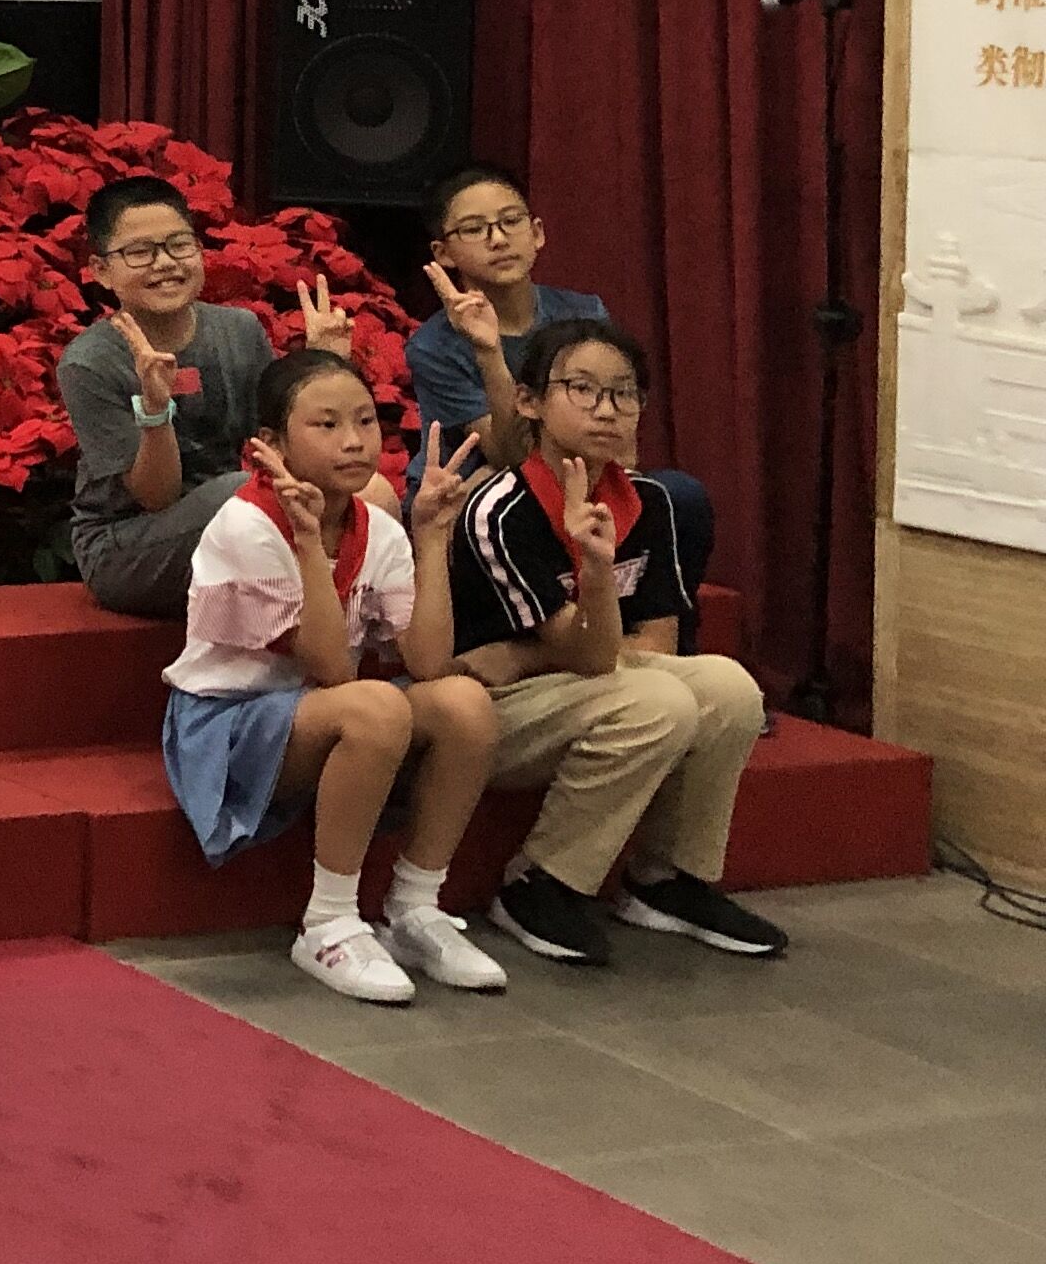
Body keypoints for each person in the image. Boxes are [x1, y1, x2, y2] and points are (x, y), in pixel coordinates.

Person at [160, 353, 509, 1002]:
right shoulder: (245, 524)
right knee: (374, 707)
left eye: (365, 421)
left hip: (321, 707)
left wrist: (432, 537)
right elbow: (329, 665)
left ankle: (415, 909)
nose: (354, 441)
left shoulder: (377, 527)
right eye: (326, 425)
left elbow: (429, 663)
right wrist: (305, 544)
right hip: (228, 723)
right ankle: (327, 923)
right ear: (270, 445)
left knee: (464, 702)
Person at [450, 316, 786, 968]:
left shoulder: (648, 503)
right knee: (656, 702)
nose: (606, 410)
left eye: (624, 393)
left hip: (564, 675)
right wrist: (591, 594)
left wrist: (529, 653)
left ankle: (666, 879)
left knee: (729, 688)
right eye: (582, 389)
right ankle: (538, 884)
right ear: (529, 402)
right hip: (492, 713)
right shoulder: (501, 511)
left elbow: (655, 642)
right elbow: (594, 654)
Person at [408, 163, 718, 584]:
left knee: (679, 496)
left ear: (536, 232)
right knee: (508, 507)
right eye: (475, 229)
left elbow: (618, 419)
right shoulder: (433, 345)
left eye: (511, 221)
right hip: (477, 485)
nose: (498, 239)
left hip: (583, 468)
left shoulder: (583, 313)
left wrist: (617, 473)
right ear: (443, 253)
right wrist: (489, 350)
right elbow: (511, 455)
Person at [58, 175, 349, 616]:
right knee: (244, 492)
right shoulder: (89, 362)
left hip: (240, 516)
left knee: (366, 490)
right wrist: (155, 411)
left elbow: (287, 439)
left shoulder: (239, 330)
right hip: (128, 545)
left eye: (179, 245)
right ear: (102, 270)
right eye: (140, 252)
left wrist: (325, 363)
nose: (165, 263)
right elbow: (156, 497)